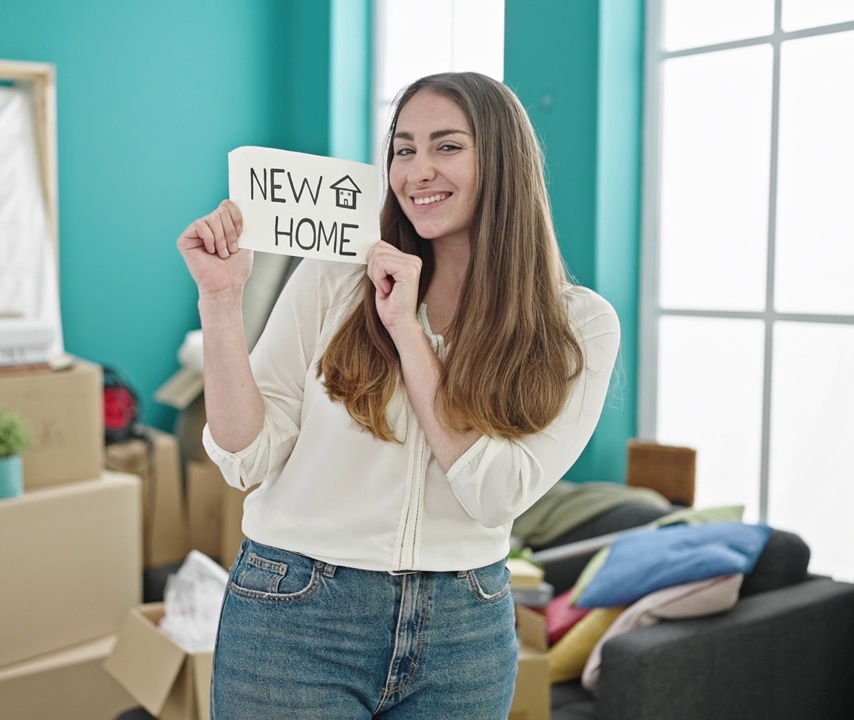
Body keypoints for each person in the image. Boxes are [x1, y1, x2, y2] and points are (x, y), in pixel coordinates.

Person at [177, 72, 620, 720]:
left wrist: (408, 331)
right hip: (298, 612)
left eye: (446, 147)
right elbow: (247, 456)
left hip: (464, 630)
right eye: (403, 149)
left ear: (502, 159)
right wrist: (220, 304)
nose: (417, 171)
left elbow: (495, 492)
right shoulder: (335, 277)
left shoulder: (577, 325)